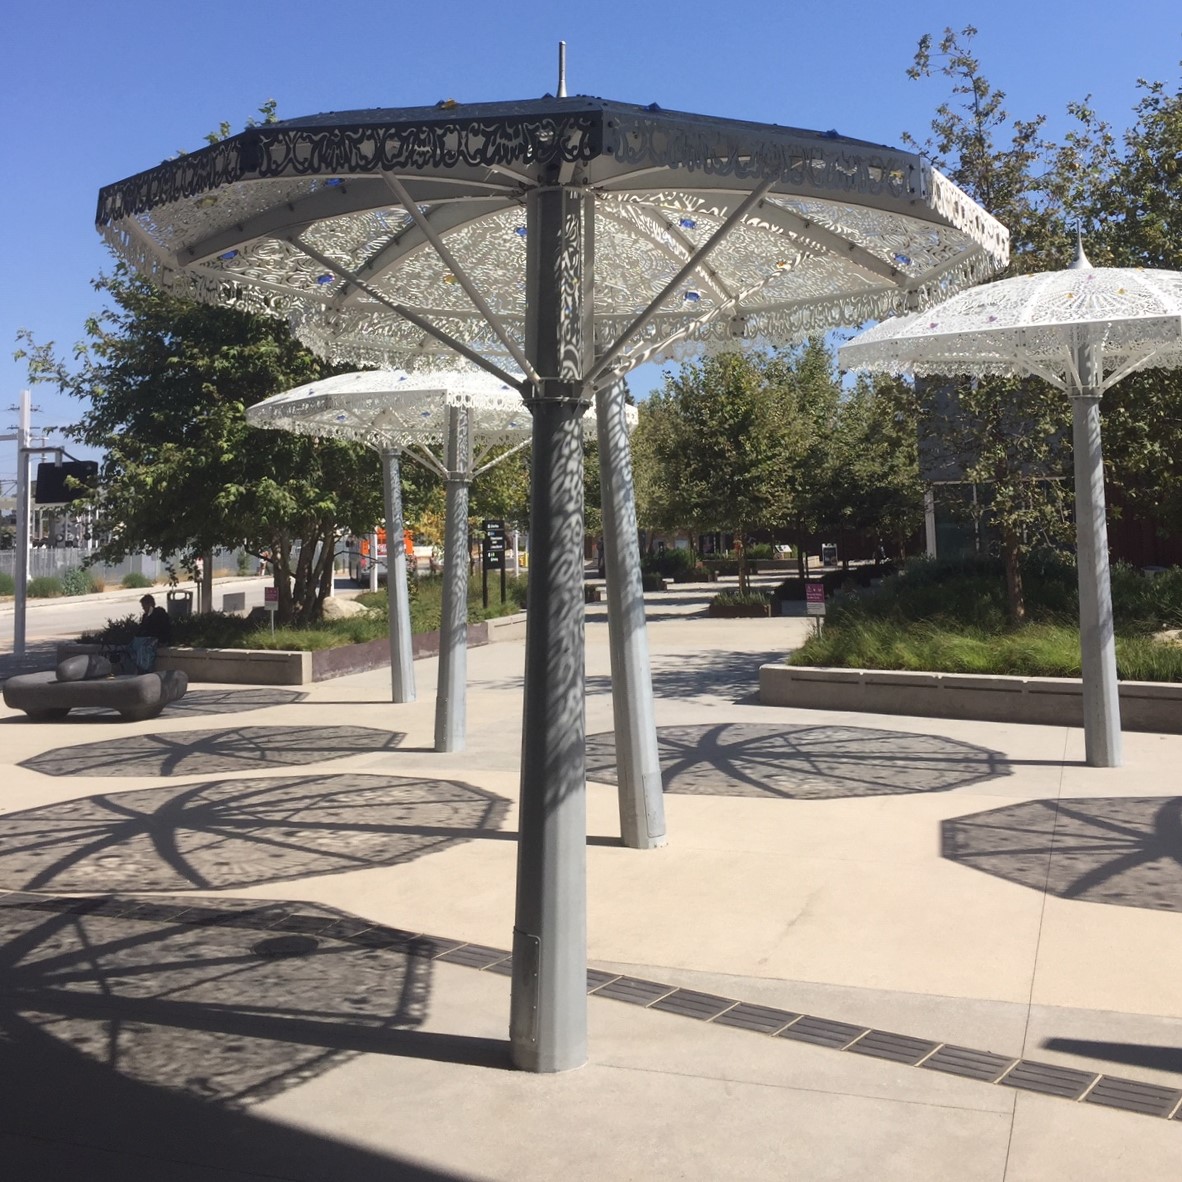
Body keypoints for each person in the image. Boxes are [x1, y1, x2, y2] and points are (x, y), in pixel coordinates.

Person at [126, 594, 171, 672]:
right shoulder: (145, 616)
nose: (143, 608)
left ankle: (145, 668)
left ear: (150, 604)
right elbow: (143, 629)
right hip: (147, 638)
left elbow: (161, 628)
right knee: (131, 647)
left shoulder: (159, 612)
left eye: (144, 606)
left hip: (158, 638)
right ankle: (136, 666)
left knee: (143, 649)